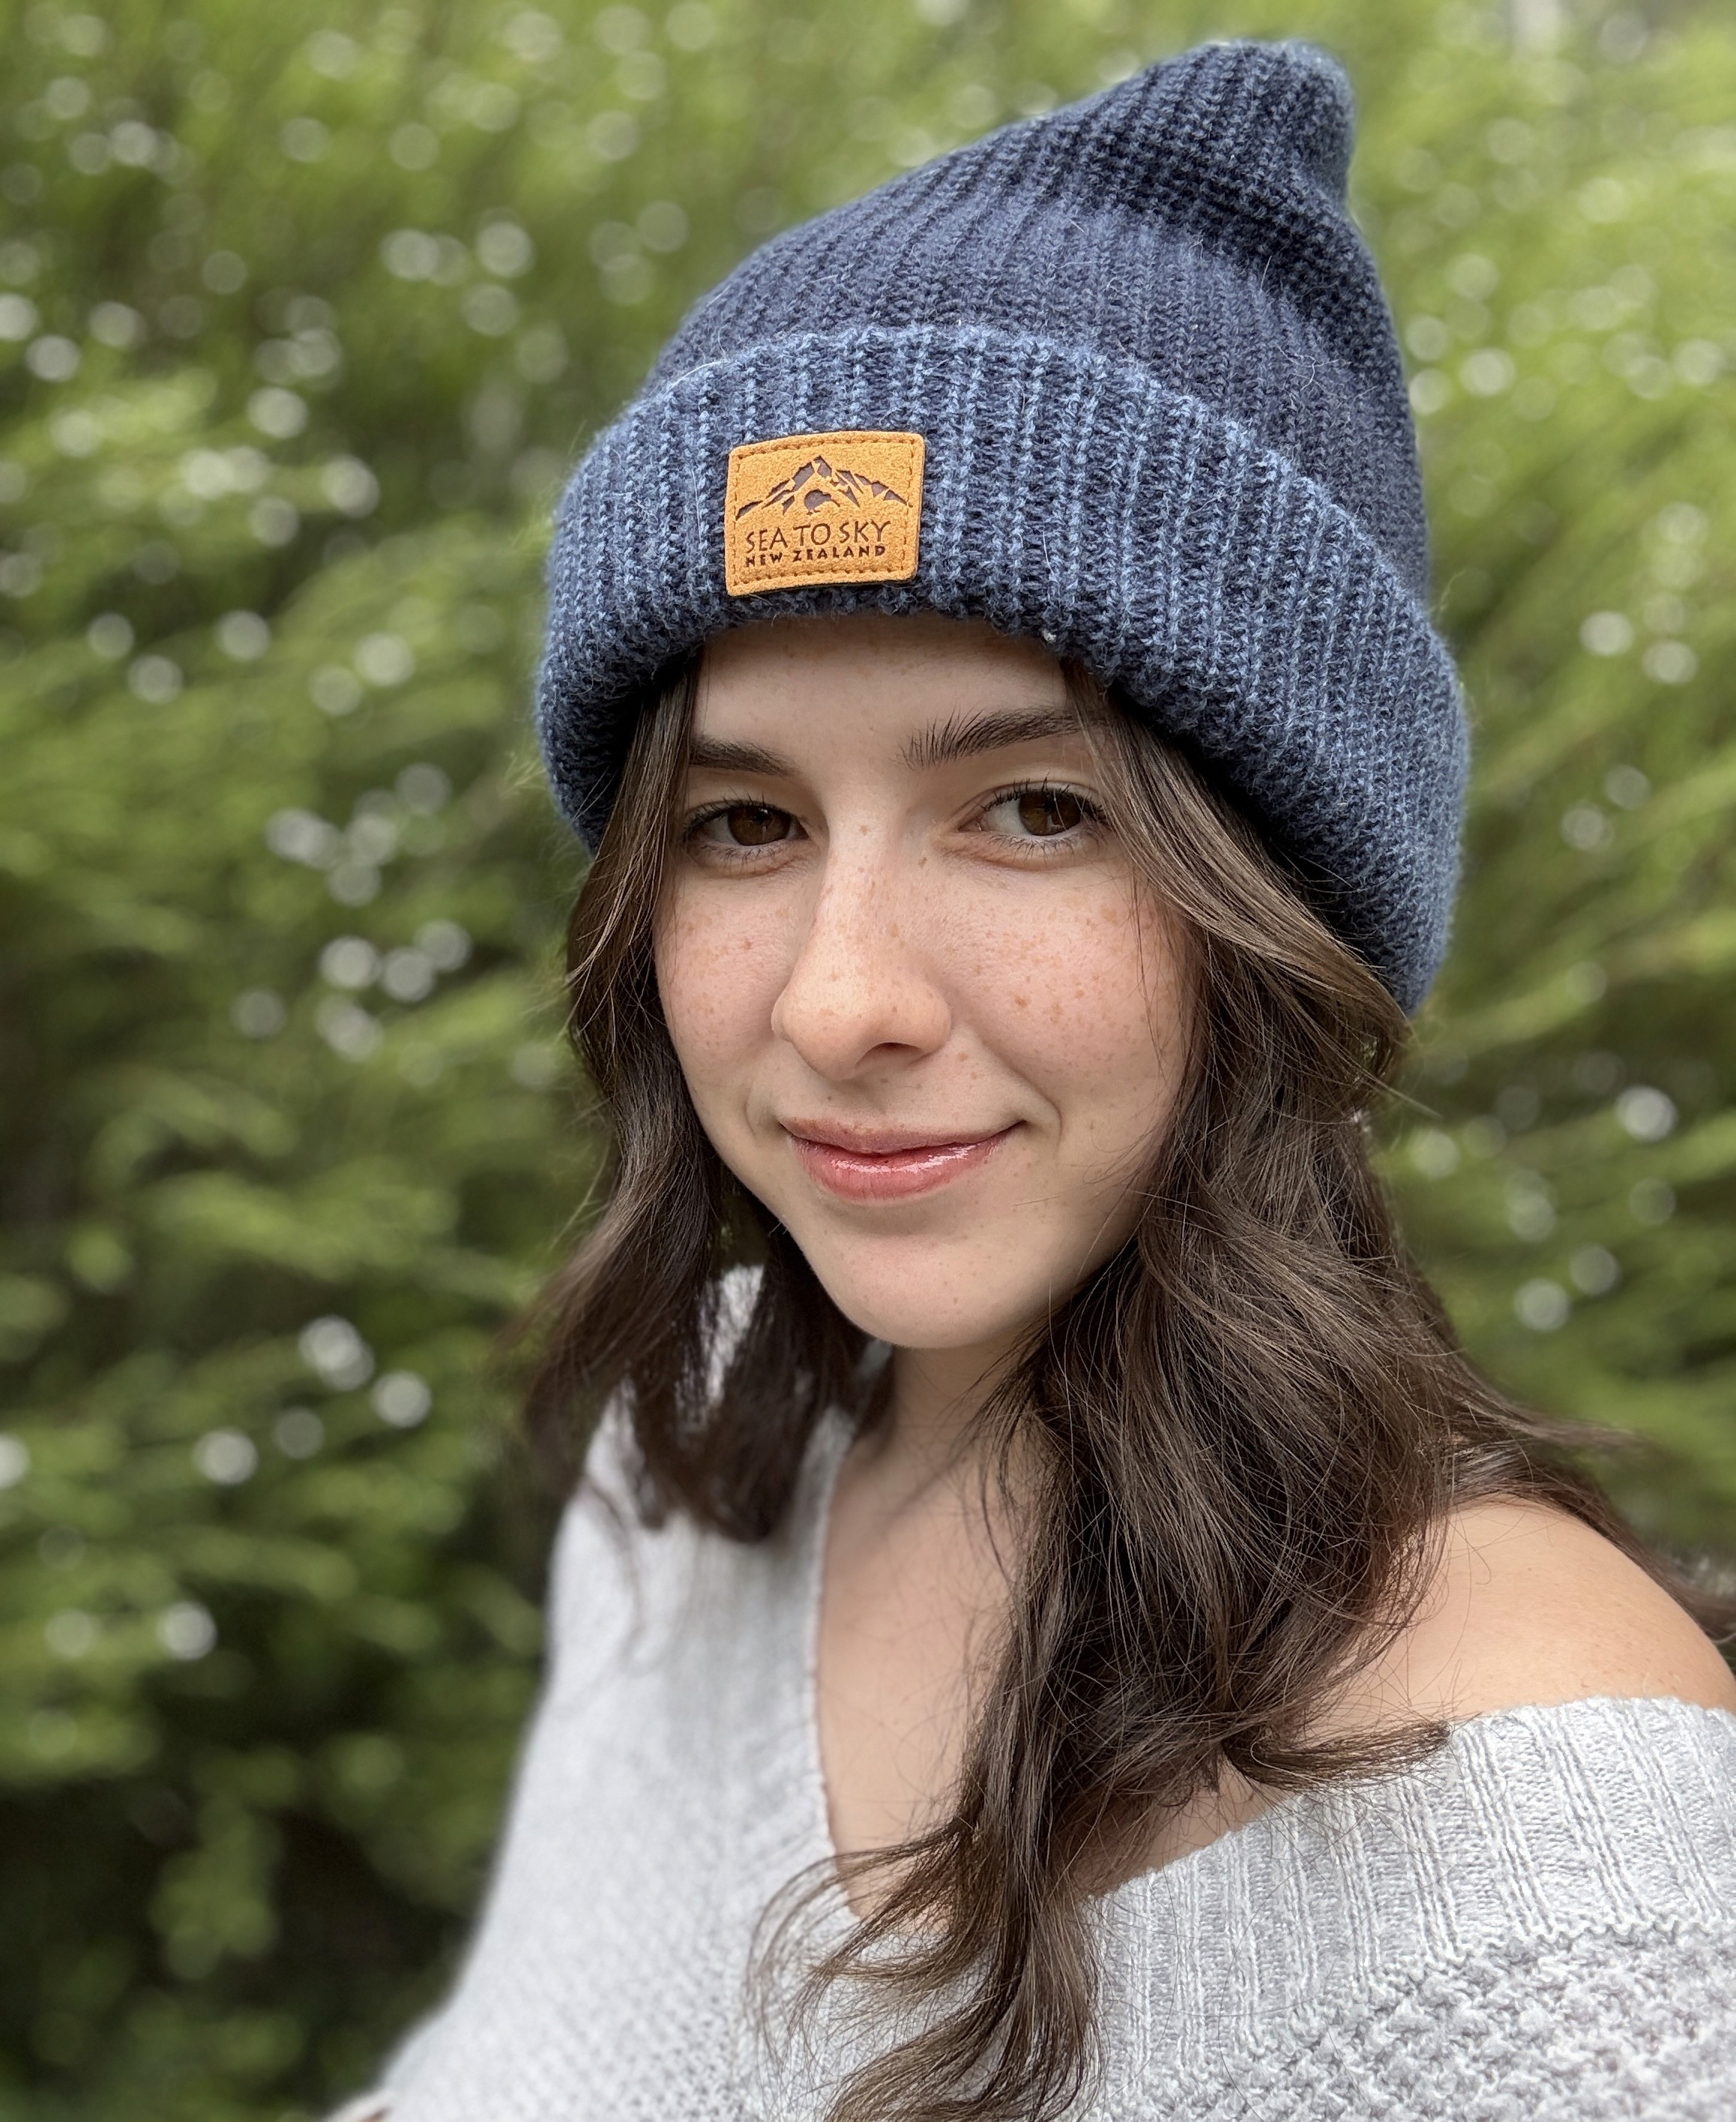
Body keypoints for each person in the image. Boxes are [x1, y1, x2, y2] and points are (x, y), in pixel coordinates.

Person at [336, 38, 1736, 2122]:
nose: (838, 1000)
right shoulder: (697, 1464)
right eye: (741, 824)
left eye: (1030, 814)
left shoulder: (1546, 1841)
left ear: (1280, 908)